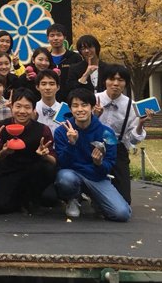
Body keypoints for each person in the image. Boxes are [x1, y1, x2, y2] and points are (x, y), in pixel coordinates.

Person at [53, 88, 130, 222]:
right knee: (64, 179)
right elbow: (62, 163)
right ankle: (73, 197)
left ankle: (96, 198)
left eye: (84, 105)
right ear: (70, 109)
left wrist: (99, 163)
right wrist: (71, 144)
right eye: (75, 106)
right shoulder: (62, 131)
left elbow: (110, 163)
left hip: (96, 176)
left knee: (122, 214)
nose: (80, 109)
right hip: (73, 174)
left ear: (93, 107)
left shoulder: (107, 133)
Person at [0, 88, 57, 214]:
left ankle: (30, 198)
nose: (22, 111)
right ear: (11, 107)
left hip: (34, 174)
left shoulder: (42, 129)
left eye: (27, 107)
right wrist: (4, 152)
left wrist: (45, 155)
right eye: (18, 106)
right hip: (9, 172)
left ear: (33, 109)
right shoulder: (1, 126)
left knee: (50, 198)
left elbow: (53, 160)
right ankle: (20, 199)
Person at [94, 63, 153, 205]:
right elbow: (81, 126)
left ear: (125, 83)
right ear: (105, 81)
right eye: (112, 79)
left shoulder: (131, 106)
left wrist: (141, 123)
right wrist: (95, 117)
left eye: (120, 80)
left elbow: (133, 140)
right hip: (92, 146)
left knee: (125, 201)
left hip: (117, 149)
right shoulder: (92, 99)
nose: (115, 83)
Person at [45, 23, 82, 102]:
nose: (55, 38)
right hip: (49, 102)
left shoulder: (75, 57)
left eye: (59, 35)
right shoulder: (45, 59)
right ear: (47, 38)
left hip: (71, 102)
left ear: (64, 37)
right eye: (52, 35)